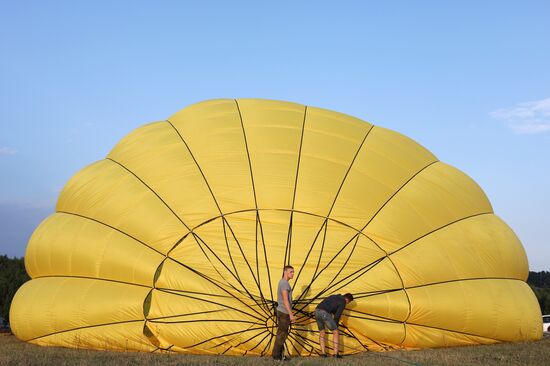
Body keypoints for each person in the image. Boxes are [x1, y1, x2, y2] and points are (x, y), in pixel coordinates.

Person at [314, 293, 354, 358]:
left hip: (316, 311)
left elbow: (331, 307)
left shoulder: (334, 296)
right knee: (336, 332)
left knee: (322, 332)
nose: (347, 304)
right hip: (324, 313)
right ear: (347, 299)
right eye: (348, 302)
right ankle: (335, 354)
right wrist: (336, 325)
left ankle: (323, 354)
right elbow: (337, 316)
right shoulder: (343, 302)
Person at [272, 265, 296, 361]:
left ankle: (279, 355)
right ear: (285, 272)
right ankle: (277, 356)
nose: (293, 274)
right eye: (291, 272)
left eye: (293, 272)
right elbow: (285, 300)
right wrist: (290, 315)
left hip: (283, 311)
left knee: (281, 333)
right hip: (284, 312)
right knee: (282, 334)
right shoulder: (284, 284)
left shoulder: (283, 283)